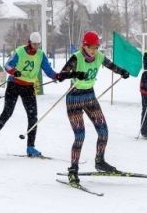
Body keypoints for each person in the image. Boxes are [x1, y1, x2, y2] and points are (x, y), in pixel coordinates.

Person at [56, 30, 130, 186]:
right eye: (91, 47)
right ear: (84, 46)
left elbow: (111, 66)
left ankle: (100, 161)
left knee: (103, 131)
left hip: (89, 97)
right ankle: (73, 170)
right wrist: (75, 74)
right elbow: (60, 76)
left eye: (96, 47)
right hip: (74, 99)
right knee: (80, 136)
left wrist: (122, 71)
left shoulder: (99, 57)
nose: (93, 51)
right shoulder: (76, 58)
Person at [0, 32, 58, 157]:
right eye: (34, 44)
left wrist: (56, 76)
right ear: (29, 42)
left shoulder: (40, 55)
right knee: (7, 113)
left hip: (28, 87)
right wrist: (14, 71)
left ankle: (30, 147)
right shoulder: (20, 52)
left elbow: (48, 70)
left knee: (33, 117)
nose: (36, 47)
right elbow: (7, 65)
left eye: (38, 44)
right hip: (14, 85)